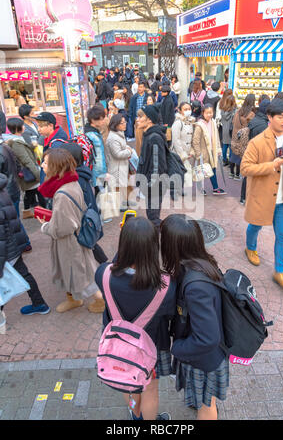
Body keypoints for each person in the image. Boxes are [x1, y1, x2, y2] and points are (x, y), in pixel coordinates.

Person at [95, 216, 176, 421]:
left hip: (118, 346)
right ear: (152, 248)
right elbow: (169, 315)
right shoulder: (165, 285)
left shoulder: (103, 273)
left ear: (123, 244)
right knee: (150, 390)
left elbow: (116, 266)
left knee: (127, 381)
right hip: (151, 347)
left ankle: (135, 416)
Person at [160, 214, 229, 421]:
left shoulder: (196, 286)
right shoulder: (204, 262)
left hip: (204, 359)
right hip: (210, 354)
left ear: (173, 246)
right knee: (204, 402)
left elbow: (208, 338)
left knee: (207, 407)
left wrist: (177, 349)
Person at [241, 98, 283, 291]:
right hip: (263, 196)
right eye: (281, 117)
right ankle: (250, 247)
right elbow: (245, 168)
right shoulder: (257, 141)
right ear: (269, 117)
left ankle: (280, 271)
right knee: (255, 226)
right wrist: (272, 165)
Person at [37, 148, 105, 313]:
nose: (42, 165)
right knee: (76, 272)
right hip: (74, 238)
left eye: (46, 163)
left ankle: (101, 301)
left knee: (82, 275)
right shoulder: (70, 182)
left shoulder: (62, 192)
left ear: (56, 167)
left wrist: (45, 226)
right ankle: (75, 299)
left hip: (70, 242)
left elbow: (63, 227)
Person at [0, 173, 50, 317]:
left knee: (7, 279)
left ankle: (39, 304)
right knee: (24, 274)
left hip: (6, 248)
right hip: (13, 244)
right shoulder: (3, 188)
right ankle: (39, 303)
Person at [59, 142, 108, 265]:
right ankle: (106, 264)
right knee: (91, 244)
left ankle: (105, 266)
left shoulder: (77, 179)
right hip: (87, 219)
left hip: (84, 222)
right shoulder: (80, 173)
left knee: (88, 244)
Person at [6, 117, 45, 219]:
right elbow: (26, 160)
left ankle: (28, 211)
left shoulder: (18, 139)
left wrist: (32, 146)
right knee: (37, 191)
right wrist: (38, 174)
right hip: (29, 172)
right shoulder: (16, 143)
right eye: (23, 125)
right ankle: (45, 212)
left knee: (32, 192)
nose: (24, 127)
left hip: (28, 172)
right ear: (18, 127)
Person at [136, 105, 168, 229]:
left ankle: (167, 240)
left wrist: (150, 186)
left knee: (153, 218)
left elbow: (156, 166)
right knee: (152, 216)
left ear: (149, 119)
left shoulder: (154, 137)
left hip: (154, 186)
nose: (137, 119)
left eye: (140, 116)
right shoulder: (148, 135)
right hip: (151, 185)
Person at [192, 104, 226, 195]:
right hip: (203, 152)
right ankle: (200, 189)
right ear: (203, 113)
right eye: (207, 113)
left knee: (213, 169)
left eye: (211, 112)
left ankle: (215, 187)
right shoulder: (199, 125)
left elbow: (216, 137)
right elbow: (195, 141)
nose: (209, 115)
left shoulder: (213, 122)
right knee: (201, 171)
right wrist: (198, 154)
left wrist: (218, 149)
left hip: (212, 151)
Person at [231, 94, 256, 205]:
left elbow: (233, 122)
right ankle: (240, 173)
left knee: (236, 155)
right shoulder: (251, 114)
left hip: (236, 136)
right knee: (243, 157)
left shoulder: (239, 111)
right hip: (244, 139)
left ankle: (234, 173)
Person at [105, 113, 133, 211]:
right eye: (122, 123)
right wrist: (129, 151)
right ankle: (121, 206)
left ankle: (123, 203)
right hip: (116, 167)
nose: (125, 124)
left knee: (123, 185)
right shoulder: (113, 137)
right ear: (116, 124)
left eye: (125, 122)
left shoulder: (119, 134)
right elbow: (117, 154)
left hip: (121, 165)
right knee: (118, 186)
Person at [34, 111, 68, 184]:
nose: (38, 129)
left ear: (50, 126)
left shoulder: (56, 145)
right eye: (38, 126)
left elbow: (55, 171)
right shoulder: (48, 139)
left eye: (41, 126)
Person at [84, 105, 107, 194]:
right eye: (101, 119)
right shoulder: (93, 136)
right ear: (93, 120)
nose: (103, 121)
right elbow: (98, 159)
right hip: (97, 175)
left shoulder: (89, 132)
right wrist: (103, 174)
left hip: (93, 174)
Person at [219, 95, 237, 172]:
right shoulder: (234, 111)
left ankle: (224, 160)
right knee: (230, 146)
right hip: (231, 130)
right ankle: (230, 161)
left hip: (224, 130)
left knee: (224, 145)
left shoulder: (222, 110)